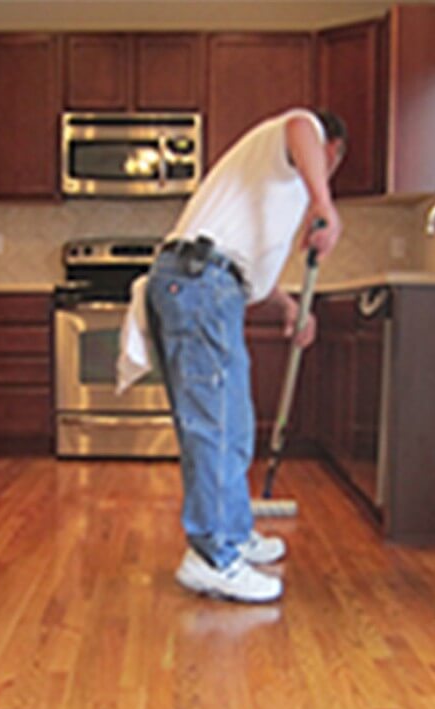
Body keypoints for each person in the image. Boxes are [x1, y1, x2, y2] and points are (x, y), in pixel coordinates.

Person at [118, 108, 346, 603]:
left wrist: (290, 306)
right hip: (200, 281)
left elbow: (249, 276)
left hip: (207, 285)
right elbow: (301, 127)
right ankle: (212, 556)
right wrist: (323, 203)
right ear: (332, 150)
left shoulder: (277, 186)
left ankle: (235, 533)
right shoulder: (299, 136)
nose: (324, 177)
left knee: (231, 424)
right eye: (332, 166)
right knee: (215, 426)